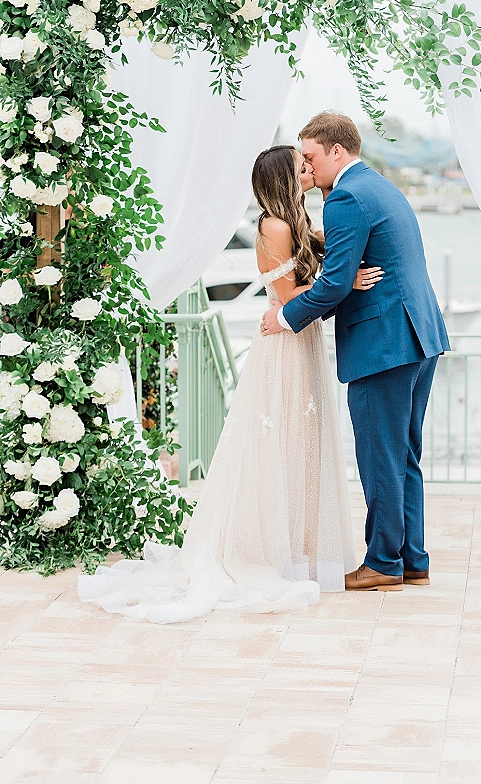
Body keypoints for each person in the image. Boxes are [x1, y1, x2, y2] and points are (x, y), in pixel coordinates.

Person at [78, 145, 380, 623]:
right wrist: (346, 285)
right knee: (278, 441)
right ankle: (266, 550)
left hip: (301, 339)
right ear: (283, 176)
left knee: (303, 442)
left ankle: (299, 548)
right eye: (300, 166)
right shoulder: (275, 227)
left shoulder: (296, 223)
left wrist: (338, 270)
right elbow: (287, 295)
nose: (308, 170)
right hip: (283, 346)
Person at [261, 112, 450, 592]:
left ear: (335, 153)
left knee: (380, 456)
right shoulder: (378, 185)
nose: (304, 165)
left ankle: (383, 562)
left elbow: (335, 284)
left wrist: (283, 319)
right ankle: (413, 559)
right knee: (404, 454)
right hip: (417, 336)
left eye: (309, 156)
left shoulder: (345, 197)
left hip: (383, 343)